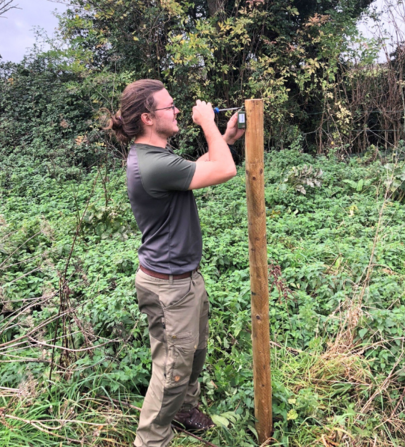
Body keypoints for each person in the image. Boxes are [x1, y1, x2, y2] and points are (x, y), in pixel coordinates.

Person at [108, 79, 245, 447]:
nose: (178, 110)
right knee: (172, 370)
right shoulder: (150, 164)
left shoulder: (156, 159)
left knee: (193, 355)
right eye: (170, 107)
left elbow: (196, 170)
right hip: (169, 288)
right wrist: (209, 124)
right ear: (148, 118)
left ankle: (184, 412)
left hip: (183, 280)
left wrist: (225, 140)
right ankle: (150, 439)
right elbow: (225, 171)